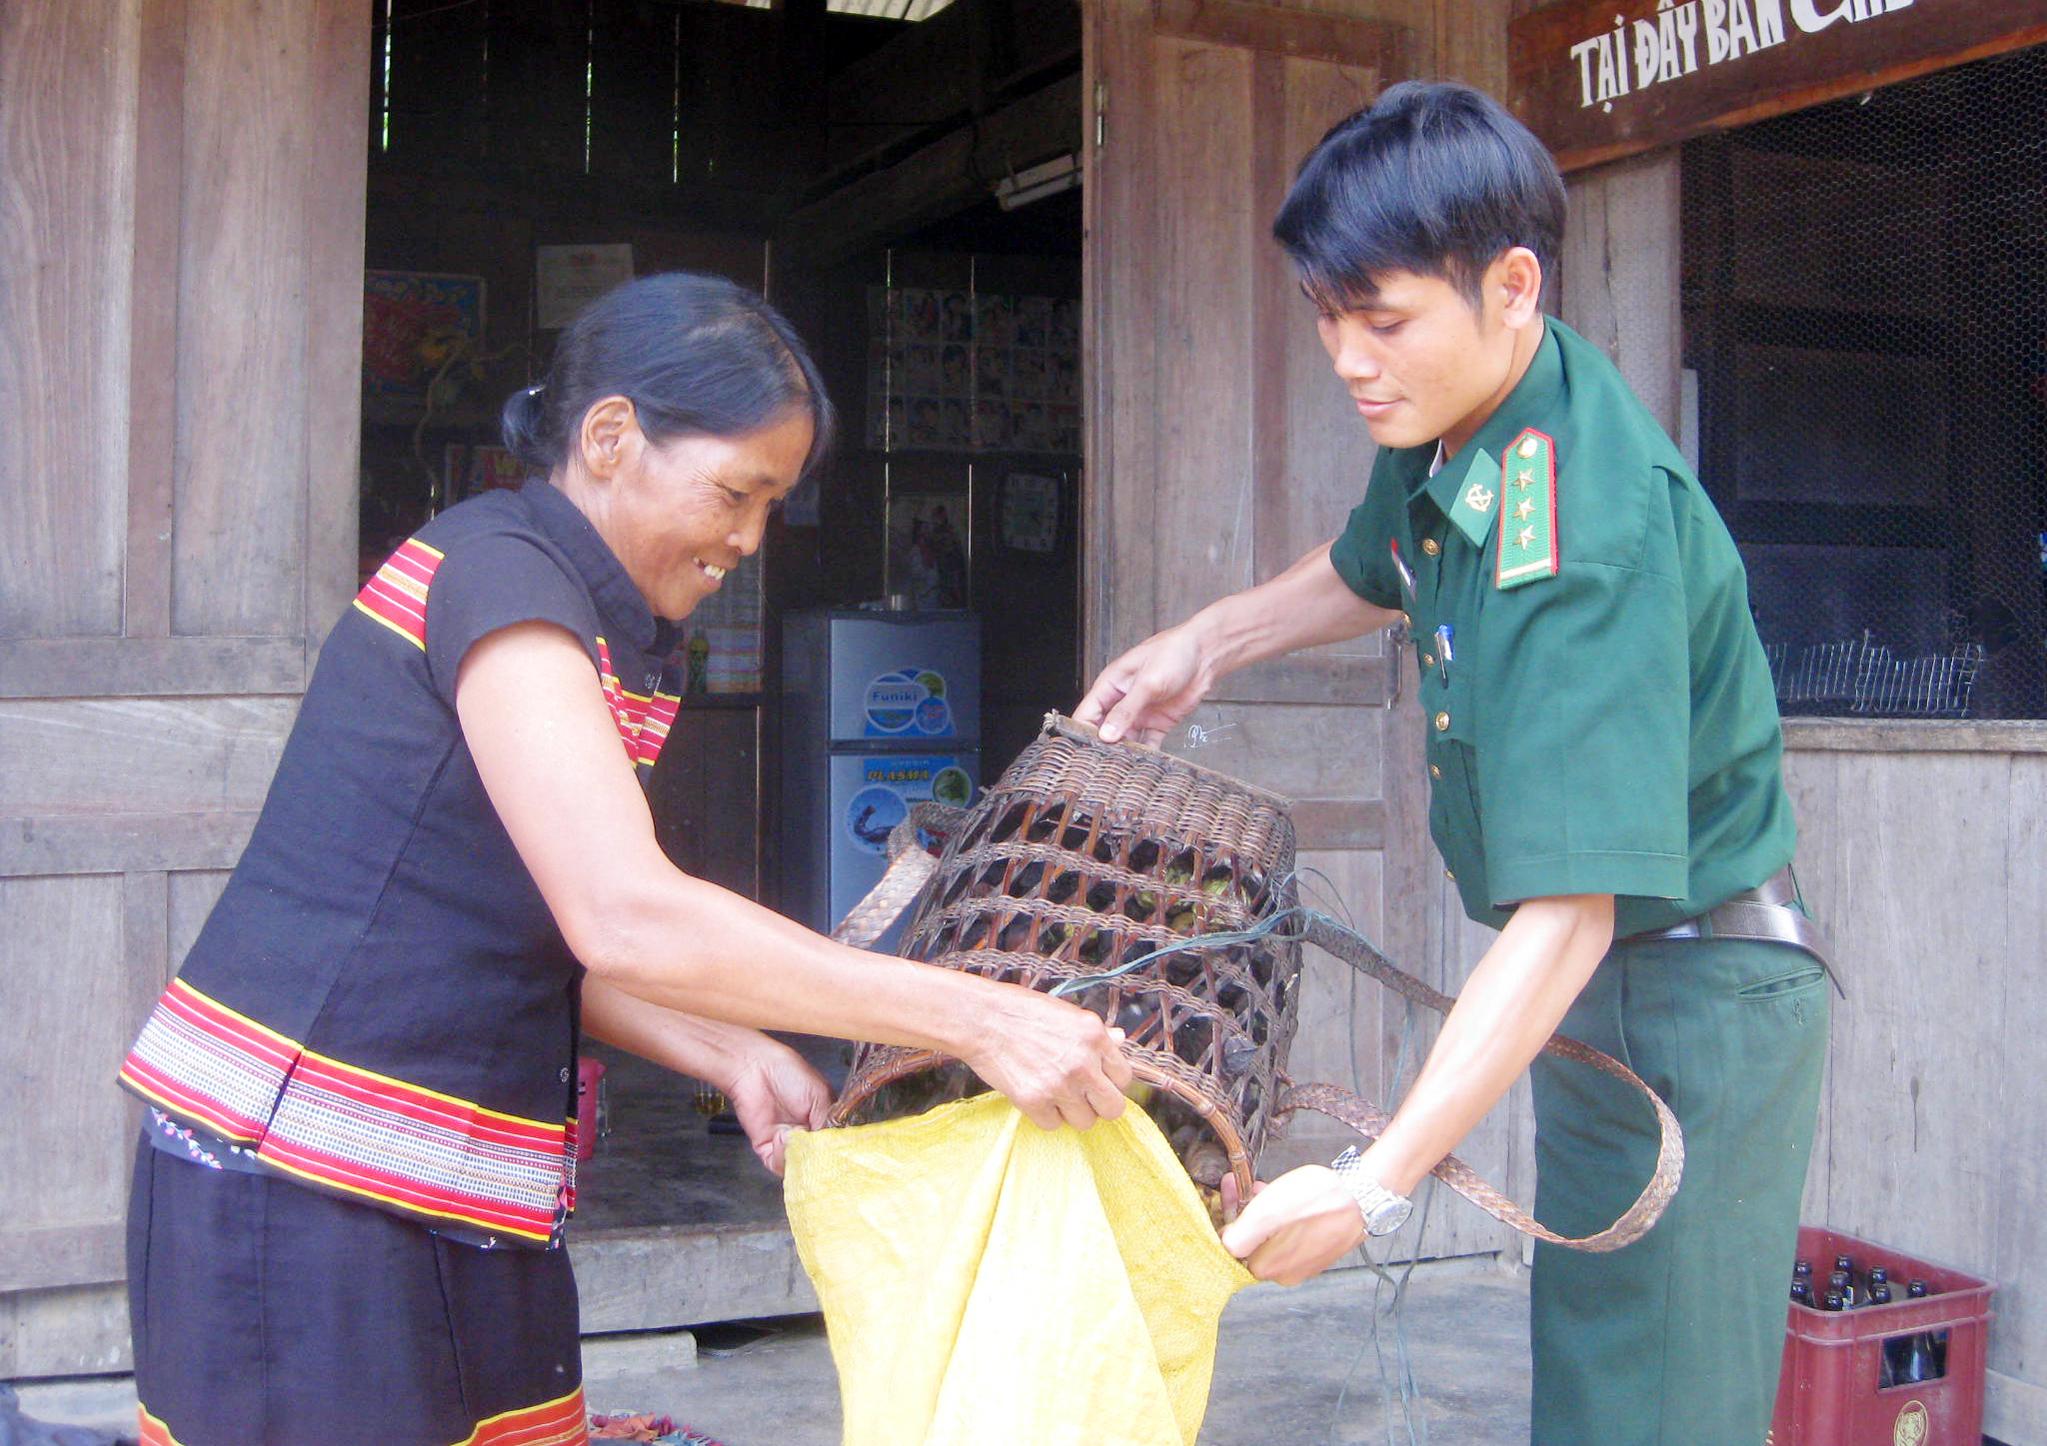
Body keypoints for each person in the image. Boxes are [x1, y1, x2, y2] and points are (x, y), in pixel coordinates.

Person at [119, 273, 1130, 1446]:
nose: (750, 539)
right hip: (298, 1176)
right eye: (736, 492)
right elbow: (619, 915)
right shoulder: (504, 581)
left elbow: (518, 927)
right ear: (609, 437)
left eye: (773, 505)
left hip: (434, 1182)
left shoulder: (608, 626)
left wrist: (726, 1049)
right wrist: (976, 1017)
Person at [1075, 83, 1828, 1445]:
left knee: (1649, 1410)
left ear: (1512, 284)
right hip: (1613, 989)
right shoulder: (1464, 423)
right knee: (1596, 1380)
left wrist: (1370, 1185)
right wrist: (1208, 641)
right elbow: (1375, 564)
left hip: (1686, 988)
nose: (1349, 359)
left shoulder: (1580, 531)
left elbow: (1565, 913)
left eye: (1383, 322)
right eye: (1326, 317)